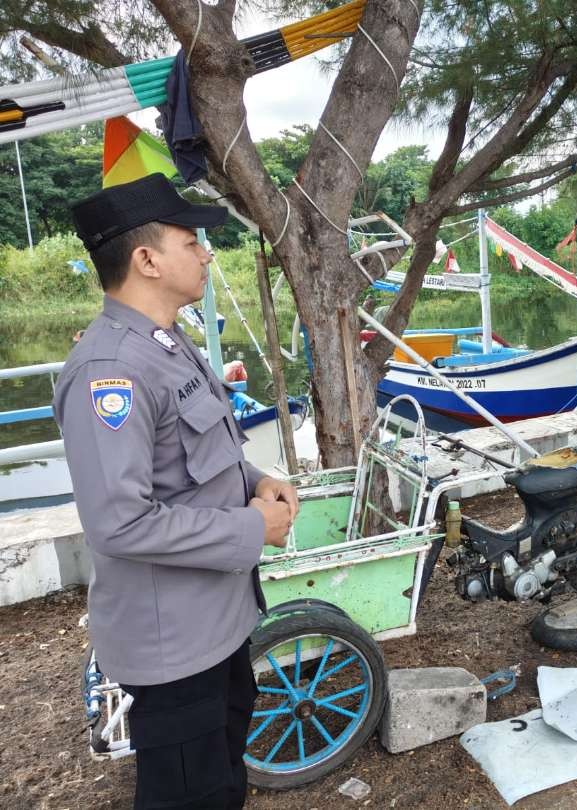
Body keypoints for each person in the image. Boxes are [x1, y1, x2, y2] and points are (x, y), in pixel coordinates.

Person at [53, 173, 298, 808]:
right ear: (147, 260)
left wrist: (258, 480)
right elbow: (120, 523)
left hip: (218, 622)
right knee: (191, 796)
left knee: (223, 780)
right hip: (174, 644)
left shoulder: (167, 342)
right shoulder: (111, 372)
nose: (206, 254)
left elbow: (202, 455)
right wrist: (253, 529)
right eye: (192, 242)